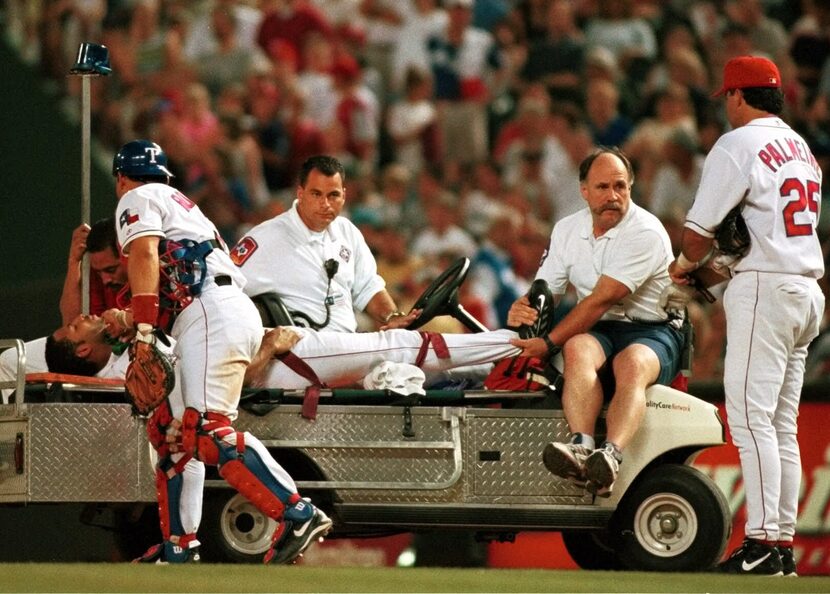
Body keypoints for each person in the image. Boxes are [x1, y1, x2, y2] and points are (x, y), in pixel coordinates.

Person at [106, 139, 331, 564]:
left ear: (121, 178)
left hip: (211, 312)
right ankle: (178, 546)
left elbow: (144, 251)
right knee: (172, 436)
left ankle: (296, 512)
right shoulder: (179, 202)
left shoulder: (137, 195)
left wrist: (141, 327)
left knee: (206, 430)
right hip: (214, 313)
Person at [669, 56, 825, 576]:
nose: (726, 107)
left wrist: (685, 267)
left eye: (728, 98)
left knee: (752, 420)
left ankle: (760, 543)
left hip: (765, 290)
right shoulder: (800, 148)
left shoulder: (738, 143)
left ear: (738, 96)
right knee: (781, 424)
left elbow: (697, 236)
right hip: (805, 290)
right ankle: (779, 545)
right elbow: (758, 236)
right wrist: (710, 274)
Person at [508, 147, 683, 498]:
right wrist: (523, 309)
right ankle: (582, 446)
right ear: (583, 191)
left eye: (621, 186)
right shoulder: (567, 229)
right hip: (601, 327)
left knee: (630, 362)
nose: (613, 196)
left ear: (631, 188)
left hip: (654, 329)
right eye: (602, 187)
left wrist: (548, 343)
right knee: (577, 347)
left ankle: (612, 454)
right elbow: (547, 292)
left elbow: (601, 299)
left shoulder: (645, 231)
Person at [43, 314, 526, 393]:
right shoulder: (133, 373)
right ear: (84, 348)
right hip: (275, 366)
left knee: (394, 355)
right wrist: (271, 344)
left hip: (278, 354)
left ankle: (505, 357)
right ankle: (521, 345)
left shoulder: (127, 353)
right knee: (394, 344)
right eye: (76, 325)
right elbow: (227, 388)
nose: (86, 315)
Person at [231, 155, 417, 332]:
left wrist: (393, 316)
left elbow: (368, 287)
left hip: (347, 343)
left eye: (333, 195)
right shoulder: (266, 238)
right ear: (300, 193)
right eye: (316, 194)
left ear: (343, 196)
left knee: (409, 362)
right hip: (299, 349)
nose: (325, 204)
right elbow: (225, 289)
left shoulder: (347, 231)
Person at [0, 217, 127, 403]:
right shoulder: (97, 261)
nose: (105, 279)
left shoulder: (145, 262)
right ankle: (14, 429)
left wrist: (126, 320)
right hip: (90, 342)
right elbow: (71, 321)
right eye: (101, 272)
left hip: (120, 350)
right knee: (11, 360)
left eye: (111, 269)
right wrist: (74, 261)